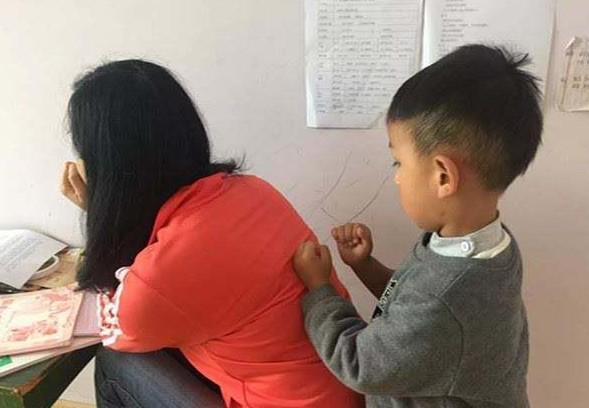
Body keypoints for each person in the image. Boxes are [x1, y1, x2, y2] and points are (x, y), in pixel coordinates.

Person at [60, 59, 364, 408]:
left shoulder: (166, 273)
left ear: (109, 168)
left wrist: (99, 215)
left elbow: (116, 324)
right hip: (345, 391)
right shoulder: (252, 190)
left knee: (117, 362)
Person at [292, 44, 542, 408]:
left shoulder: (447, 295)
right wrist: (364, 265)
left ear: (443, 177)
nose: (397, 177)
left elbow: (361, 364)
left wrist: (319, 289)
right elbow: (414, 302)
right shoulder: (490, 246)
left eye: (399, 163)